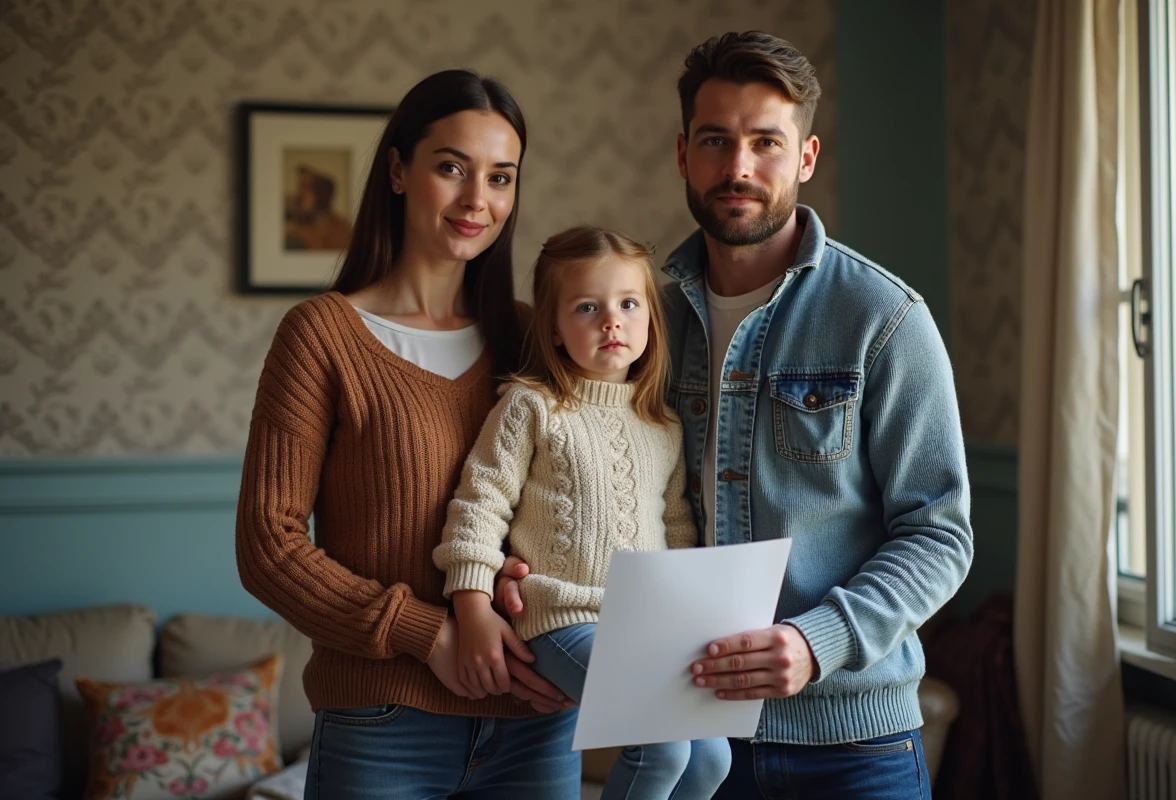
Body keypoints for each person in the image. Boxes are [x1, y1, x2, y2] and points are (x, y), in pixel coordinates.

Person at [497, 31, 973, 800]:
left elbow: (940, 534)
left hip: (854, 746)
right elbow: (581, 472)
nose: (739, 168)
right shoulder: (638, 318)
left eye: (765, 143)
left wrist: (816, 644)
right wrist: (521, 571)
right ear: (683, 154)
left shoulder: (884, 318)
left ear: (807, 158)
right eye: (717, 141)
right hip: (694, 736)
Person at [235, 69, 580, 800]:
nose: (477, 201)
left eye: (500, 177)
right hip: (384, 724)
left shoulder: (529, 336)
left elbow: (582, 498)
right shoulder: (321, 336)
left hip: (534, 720)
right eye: (452, 168)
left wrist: (523, 584)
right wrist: (429, 633)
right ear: (397, 169)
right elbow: (270, 544)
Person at [433, 226, 733, 800]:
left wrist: (692, 611)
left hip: (644, 625)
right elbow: (480, 504)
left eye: (627, 304)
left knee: (711, 757)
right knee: (662, 744)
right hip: (560, 617)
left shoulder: (662, 425)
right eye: (587, 307)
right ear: (554, 327)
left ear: (650, 318)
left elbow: (676, 529)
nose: (611, 322)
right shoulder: (531, 405)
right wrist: (470, 601)